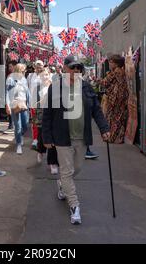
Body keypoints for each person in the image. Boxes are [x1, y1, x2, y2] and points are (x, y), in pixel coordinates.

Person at [42, 55, 110, 225]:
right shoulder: (55, 88)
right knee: (66, 171)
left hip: (82, 137)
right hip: (62, 137)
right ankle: (74, 206)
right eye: (72, 68)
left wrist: (104, 128)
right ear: (64, 69)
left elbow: (97, 110)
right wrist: (47, 137)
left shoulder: (86, 87)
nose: (75, 71)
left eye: (78, 68)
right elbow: (47, 114)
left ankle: (62, 185)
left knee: (75, 169)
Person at [99, 54, 129, 144]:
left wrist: (97, 80)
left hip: (115, 98)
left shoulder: (115, 71)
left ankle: (112, 137)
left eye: (111, 62)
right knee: (119, 118)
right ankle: (118, 138)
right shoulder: (121, 71)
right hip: (122, 98)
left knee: (113, 118)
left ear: (116, 64)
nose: (109, 64)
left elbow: (105, 82)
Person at [6, 63, 30, 155]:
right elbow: (7, 92)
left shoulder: (24, 79)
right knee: (18, 125)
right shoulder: (10, 79)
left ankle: (20, 136)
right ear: (19, 70)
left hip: (24, 104)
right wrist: (7, 105)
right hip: (14, 105)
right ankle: (18, 144)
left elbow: (27, 92)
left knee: (25, 125)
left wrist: (29, 103)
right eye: (23, 71)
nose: (25, 72)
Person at [27, 60, 45, 150]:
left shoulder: (46, 76)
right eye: (37, 65)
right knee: (35, 123)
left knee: (43, 122)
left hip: (44, 103)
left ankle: (43, 139)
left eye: (40, 65)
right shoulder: (30, 76)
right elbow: (27, 89)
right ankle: (35, 139)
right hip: (33, 103)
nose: (38, 67)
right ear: (34, 66)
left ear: (43, 66)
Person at [4, 60, 17, 134]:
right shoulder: (9, 76)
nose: (9, 68)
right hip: (11, 96)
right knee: (10, 112)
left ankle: (13, 126)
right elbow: (7, 89)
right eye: (9, 66)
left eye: (10, 66)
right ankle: (11, 126)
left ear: (15, 66)